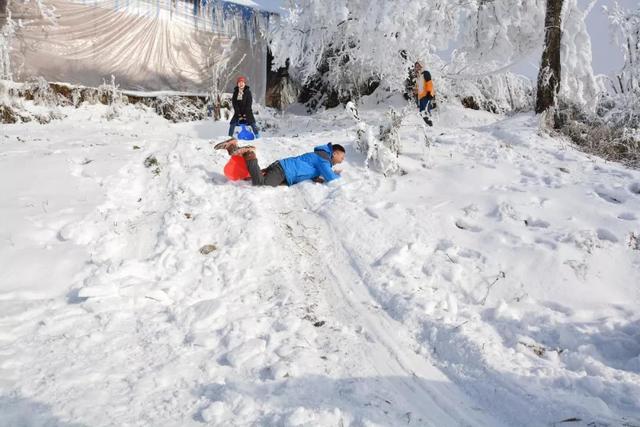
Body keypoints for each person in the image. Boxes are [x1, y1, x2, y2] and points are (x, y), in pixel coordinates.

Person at [214, 139, 345, 187]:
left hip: (283, 169)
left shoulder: (321, 158)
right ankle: (249, 153)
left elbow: (310, 169)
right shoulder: (323, 159)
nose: (342, 160)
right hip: (283, 171)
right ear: (335, 153)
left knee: (250, 177)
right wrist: (337, 175)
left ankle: (232, 147)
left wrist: (316, 177)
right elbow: (332, 179)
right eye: (342, 156)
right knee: (261, 184)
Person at [414, 62, 435, 127]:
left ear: (422, 66)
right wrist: (415, 91)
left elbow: (429, 83)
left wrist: (429, 93)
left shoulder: (426, 73)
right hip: (421, 97)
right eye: (416, 67)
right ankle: (429, 125)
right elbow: (418, 86)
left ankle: (431, 127)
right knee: (422, 112)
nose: (417, 68)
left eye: (419, 66)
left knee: (426, 112)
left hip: (426, 96)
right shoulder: (418, 76)